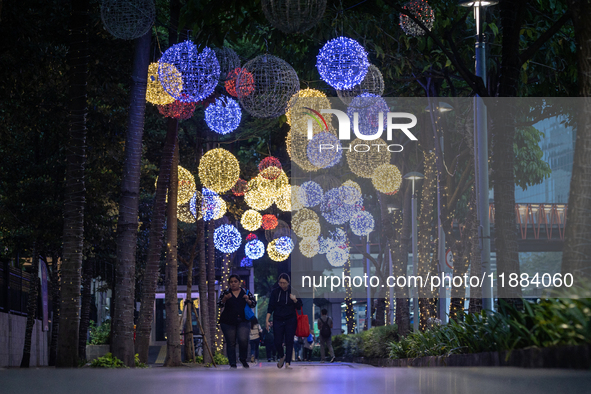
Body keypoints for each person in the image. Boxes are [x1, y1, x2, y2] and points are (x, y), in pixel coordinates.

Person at [218, 274, 257, 369]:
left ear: (239, 283)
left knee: (243, 340)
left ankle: (243, 359)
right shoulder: (226, 292)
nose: (233, 283)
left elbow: (253, 304)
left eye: (235, 281)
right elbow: (219, 304)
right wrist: (225, 299)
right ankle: (232, 362)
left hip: (243, 320)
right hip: (228, 321)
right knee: (231, 342)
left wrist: (248, 300)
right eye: (231, 282)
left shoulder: (246, 292)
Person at [266, 273, 302, 369]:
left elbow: (299, 306)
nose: (282, 285)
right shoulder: (275, 292)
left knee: (289, 341)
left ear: (288, 283)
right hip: (278, 319)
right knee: (277, 341)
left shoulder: (294, 291)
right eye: (280, 283)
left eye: (284, 283)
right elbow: (270, 307)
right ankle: (282, 356)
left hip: (290, 319)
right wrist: (267, 320)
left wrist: (294, 300)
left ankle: (288, 362)